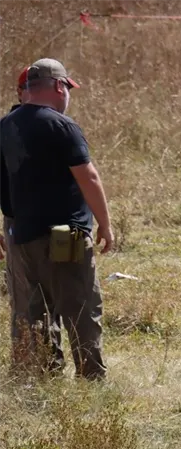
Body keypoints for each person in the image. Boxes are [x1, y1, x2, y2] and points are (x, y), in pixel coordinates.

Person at [0, 58, 114, 379]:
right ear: (59, 87)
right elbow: (88, 177)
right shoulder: (62, 125)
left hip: (19, 236)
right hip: (65, 237)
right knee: (80, 308)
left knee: (30, 311)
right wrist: (105, 224)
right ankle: (91, 379)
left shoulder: (4, 126)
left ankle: (37, 379)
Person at [0, 67, 34, 366]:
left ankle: (48, 363)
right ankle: (25, 368)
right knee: (23, 300)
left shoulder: (60, 126)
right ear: (20, 92)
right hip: (17, 225)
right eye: (28, 88)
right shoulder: (5, 129)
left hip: (59, 226)